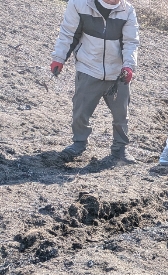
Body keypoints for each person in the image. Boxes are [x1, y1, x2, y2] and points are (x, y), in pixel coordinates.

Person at [50, 0, 139, 164]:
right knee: (80, 111)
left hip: (117, 73)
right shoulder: (78, 4)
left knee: (121, 114)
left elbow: (130, 42)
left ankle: (120, 148)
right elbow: (68, 33)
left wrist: (128, 66)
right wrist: (59, 58)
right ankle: (79, 142)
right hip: (88, 67)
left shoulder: (127, 11)